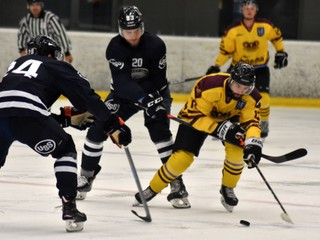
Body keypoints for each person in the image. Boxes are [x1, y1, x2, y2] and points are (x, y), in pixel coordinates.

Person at [0, 35, 132, 232]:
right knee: (65, 149)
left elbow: (17, 105)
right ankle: (69, 205)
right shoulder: (54, 65)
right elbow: (86, 97)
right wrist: (111, 124)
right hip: (28, 115)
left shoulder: (16, 64)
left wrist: (66, 120)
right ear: (51, 54)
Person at [76, 5, 190, 209]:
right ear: (120, 30)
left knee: (160, 131)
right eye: (128, 31)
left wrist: (152, 101)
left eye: (136, 30)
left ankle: (176, 182)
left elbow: (157, 79)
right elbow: (122, 83)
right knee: (98, 128)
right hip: (123, 96)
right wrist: (143, 99)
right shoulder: (115, 47)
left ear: (142, 27)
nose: (133, 35)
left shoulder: (156, 45)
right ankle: (86, 177)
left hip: (156, 92)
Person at [134, 62, 263, 213]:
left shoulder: (252, 97)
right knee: (182, 158)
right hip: (196, 118)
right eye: (238, 86)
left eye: (245, 88)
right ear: (231, 81)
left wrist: (253, 143)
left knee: (236, 153)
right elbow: (197, 116)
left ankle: (228, 188)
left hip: (229, 119)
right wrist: (221, 129)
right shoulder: (209, 85)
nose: (241, 91)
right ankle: (153, 188)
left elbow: (252, 122)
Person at [206, 0, 288, 140]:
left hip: (260, 68)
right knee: (230, 98)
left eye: (252, 8)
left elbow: (277, 37)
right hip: (239, 71)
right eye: (246, 8)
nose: (249, 11)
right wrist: (217, 66)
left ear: (256, 11)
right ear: (242, 10)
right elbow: (226, 51)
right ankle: (225, 124)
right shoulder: (233, 30)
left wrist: (281, 51)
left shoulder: (265, 26)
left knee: (264, 99)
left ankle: (263, 124)